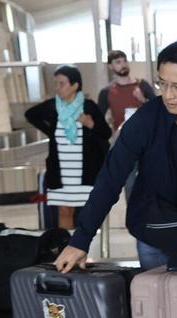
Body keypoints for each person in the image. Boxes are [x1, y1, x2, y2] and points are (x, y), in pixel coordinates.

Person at [53, 40, 177, 273]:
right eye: (162, 84)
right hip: (155, 231)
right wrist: (81, 239)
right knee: (157, 303)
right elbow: (110, 179)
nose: (168, 95)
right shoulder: (144, 121)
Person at [25, 66, 111, 231]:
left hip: (85, 171)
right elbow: (30, 114)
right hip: (61, 172)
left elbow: (105, 133)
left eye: (61, 84)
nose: (57, 88)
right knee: (64, 211)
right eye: (56, 84)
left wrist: (90, 124)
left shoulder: (89, 107)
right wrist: (50, 131)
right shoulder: (53, 107)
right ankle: (65, 248)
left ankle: (86, 248)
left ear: (75, 85)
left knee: (89, 212)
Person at [97, 50, 157, 132]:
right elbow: (98, 120)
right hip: (121, 138)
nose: (123, 65)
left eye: (125, 61)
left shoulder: (142, 85)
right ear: (110, 66)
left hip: (145, 135)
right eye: (118, 62)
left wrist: (143, 100)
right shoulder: (106, 92)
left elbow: (157, 109)